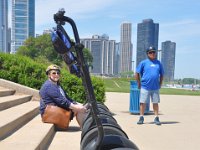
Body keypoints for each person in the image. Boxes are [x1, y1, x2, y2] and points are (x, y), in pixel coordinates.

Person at [135, 46, 164, 125]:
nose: (152, 54)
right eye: (150, 52)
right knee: (142, 102)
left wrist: (160, 83)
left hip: (155, 87)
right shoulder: (143, 63)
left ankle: (156, 117)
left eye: (154, 52)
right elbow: (137, 73)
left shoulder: (158, 63)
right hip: (145, 86)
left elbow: (162, 74)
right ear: (147, 54)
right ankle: (141, 117)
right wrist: (138, 83)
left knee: (155, 102)